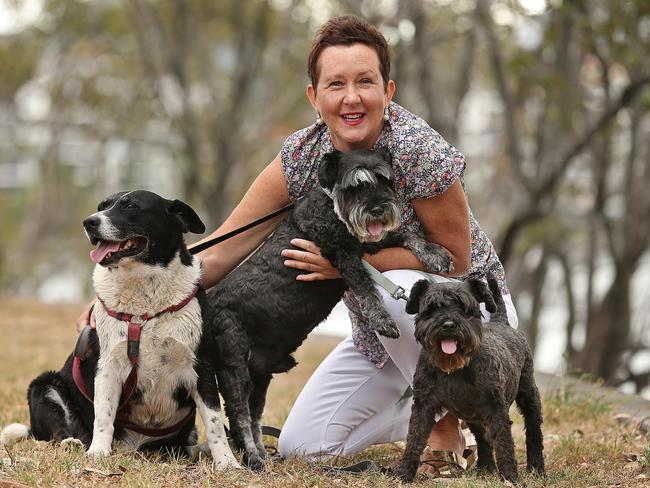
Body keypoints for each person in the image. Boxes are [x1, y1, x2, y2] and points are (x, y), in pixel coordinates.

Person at [76, 15, 518, 464]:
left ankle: (443, 429)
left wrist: (344, 267)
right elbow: (226, 246)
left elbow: (455, 258)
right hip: (383, 334)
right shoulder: (302, 156)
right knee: (303, 446)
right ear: (314, 96)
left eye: (366, 81)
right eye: (335, 84)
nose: (351, 97)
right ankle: (445, 408)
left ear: (388, 91)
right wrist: (122, 305)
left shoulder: (417, 148)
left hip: (470, 317)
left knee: (394, 291)